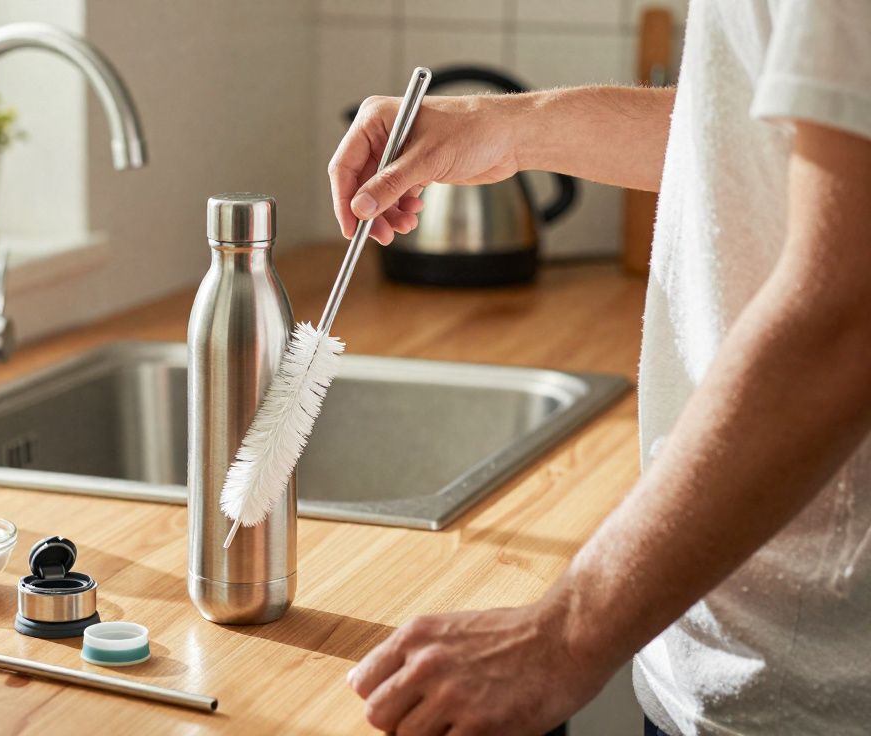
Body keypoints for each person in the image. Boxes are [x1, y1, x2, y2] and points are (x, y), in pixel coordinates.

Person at [328, 2, 871, 734]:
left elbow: (845, 318)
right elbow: (755, 136)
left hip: (814, 697)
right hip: (727, 654)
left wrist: (565, 631)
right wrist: (507, 128)